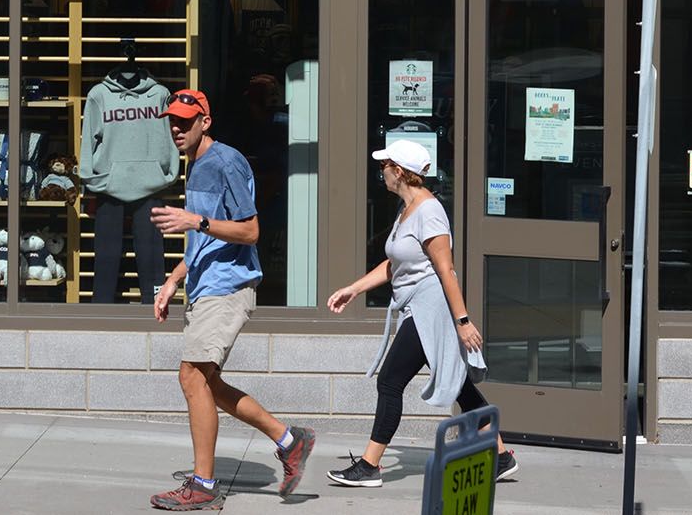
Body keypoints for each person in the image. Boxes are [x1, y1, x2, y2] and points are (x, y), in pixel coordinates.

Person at [148, 89, 316, 511]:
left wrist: (194, 220)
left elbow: (250, 231)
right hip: (204, 286)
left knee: (191, 377)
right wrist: (173, 280)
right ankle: (289, 440)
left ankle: (203, 485)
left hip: (228, 288)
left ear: (206, 121)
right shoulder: (197, 166)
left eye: (186, 121)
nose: (177, 128)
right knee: (209, 385)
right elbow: (202, 242)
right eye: (173, 121)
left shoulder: (226, 162)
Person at [323, 138, 520, 488]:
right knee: (458, 383)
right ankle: (502, 457)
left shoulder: (429, 211)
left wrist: (461, 321)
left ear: (399, 172)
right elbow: (395, 264)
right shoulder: (407, 210)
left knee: (390, 381)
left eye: (384, 166)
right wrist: (354, 289)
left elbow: (446, 269)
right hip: (417, 306)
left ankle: (370, 466)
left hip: (432, 309)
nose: (381, 171)